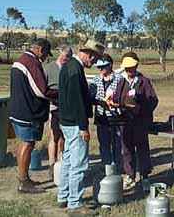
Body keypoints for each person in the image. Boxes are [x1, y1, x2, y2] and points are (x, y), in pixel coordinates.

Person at [57, 40, 104, 216]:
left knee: (68, 160)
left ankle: (63, 196)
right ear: (90, 55)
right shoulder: (76, 70)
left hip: (66, 121)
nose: (95, 63)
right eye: (95, 59)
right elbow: (77, 101)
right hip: (75, 124)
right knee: (78, 164)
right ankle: (75, 204)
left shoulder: (68, 66)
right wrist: (84, 127)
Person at [10, 38, 58, 194]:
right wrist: (58, 94)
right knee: (28, 144)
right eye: (45, 55)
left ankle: (24, 178)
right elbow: (41, 90)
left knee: (24, 143)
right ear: (41, 50)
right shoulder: (32, 63)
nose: (45, 59)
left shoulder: (19, 60)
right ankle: (23, 182)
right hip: (28, 112)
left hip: (18, 109)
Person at [112, 53, 158, 191]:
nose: (128, 71)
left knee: (142, 149)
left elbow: (153, 100)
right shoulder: (122, 81)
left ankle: (145, 176)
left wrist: (140, 108)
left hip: (140, 122)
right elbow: (117, 98)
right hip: (125, 122)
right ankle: (130, 176)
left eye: (130, 68)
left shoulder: (144, 81)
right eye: (126, 68)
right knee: (127, 150)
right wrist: (116, 104)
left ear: (136, 66)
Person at [44, 45, 73, 180]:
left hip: (67, 108)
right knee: (53, 136)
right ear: (59, 55)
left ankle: (62, 164)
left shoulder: (70, 69)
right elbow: (43, 89)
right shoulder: (49, 68)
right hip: (53, 107)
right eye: (63, 57)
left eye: (67, 58)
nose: (64, 60)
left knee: (64, 137)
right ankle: (51, 165)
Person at [89, 53, 122, 167]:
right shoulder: (95, 80)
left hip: (115, 116)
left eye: (103, 66)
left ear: (110, 65)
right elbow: (90, 96)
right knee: (103, 143)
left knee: (117, 143)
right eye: (99, 67)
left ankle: (117, 165)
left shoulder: (119, 79)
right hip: (100, 116)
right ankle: (105, 165)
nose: (101, 69)